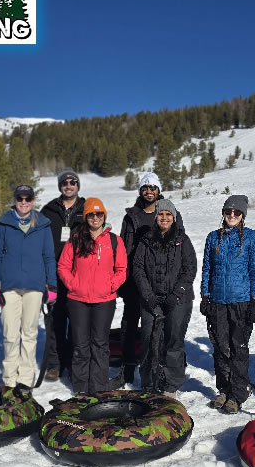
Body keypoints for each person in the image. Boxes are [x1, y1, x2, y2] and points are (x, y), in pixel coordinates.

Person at [199, 195, 255, 414]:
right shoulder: (213, 237)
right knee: (220, 348)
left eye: (237, 212)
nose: (232, 215)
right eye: (228, 211)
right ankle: (224, 390)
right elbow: (207, 269)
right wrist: (205, 296)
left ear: (243, 215)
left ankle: (237, 394)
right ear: (223, 213)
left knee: (238, 349)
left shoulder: (251, 237)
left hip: (241, 301)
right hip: (217, 301)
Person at [118, 172, 184, 384]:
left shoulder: (169, 214)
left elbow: (179, 247)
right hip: (133, 280)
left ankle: (160, 370)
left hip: (160, 283)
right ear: (140, 190)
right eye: (145, 187)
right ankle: (128, 367)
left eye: (153, 187)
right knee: (130, 324)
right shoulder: (131, 216)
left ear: (158, 190)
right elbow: (122, 249)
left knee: (161, 326)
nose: (149, 191)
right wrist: (121, 278)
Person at [0, 185, 57, 387]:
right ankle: (10, 380)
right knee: (10, 334)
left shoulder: (43, 225)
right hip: (9, 287)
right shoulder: (4, 224)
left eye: (28, 198)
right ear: (15, 200)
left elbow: (49, 257)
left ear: (33, 201)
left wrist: (52, 285)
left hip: (35, 287)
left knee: (29, 334)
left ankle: (25, 379)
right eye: (20, 198)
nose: (24, 202)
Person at [57, 198, 127, 394]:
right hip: (78, 301)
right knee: (80, 344)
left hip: (104, 301)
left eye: (99, 214)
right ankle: (81, 388)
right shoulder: (75, 238)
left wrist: (110, 286)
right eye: (91, 214)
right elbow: (63, 266)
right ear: (86, 216)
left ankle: (98, 387)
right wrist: (74, 285)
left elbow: (122, 269)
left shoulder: (114, 241)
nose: (95, 218)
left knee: (100, 344)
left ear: (104, 215)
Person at [132, 198, 196, 395]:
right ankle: (149, 383)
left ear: (174, 217)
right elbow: (138, 269)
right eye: (161, 214)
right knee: (149, 339)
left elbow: (189, 269)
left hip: (178, 300)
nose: (164, 217)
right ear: (156, 217)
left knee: (173, 342)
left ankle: (170, 385)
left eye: (168, 214)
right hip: (151, 299)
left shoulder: (182, 240)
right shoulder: (146, 240)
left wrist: (176, 295)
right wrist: (149, 297)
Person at [40, 169, 85, 381]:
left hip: (79, 275)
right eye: (65, 183)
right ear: (60, 186)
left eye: (72, 182)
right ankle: (55, 364)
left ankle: (74, 363)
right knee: (54, 322)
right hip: (53, 275)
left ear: (77, 185)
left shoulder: (87, 209)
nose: (69, 185)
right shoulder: (48, 210)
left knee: (77, 322)